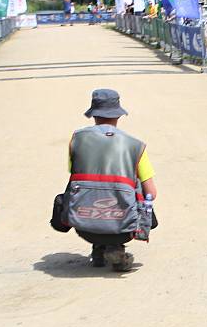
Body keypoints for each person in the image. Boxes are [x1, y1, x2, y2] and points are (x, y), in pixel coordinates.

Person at [64, 89, 157, 272]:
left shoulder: (77, 139)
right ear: (118, 115)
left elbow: (74, 173)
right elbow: (151, 193)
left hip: (83, 224)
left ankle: (98, 246)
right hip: (123, 225)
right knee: (137, 188)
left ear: (93, 114)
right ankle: (116, 247)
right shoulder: (135, 145)